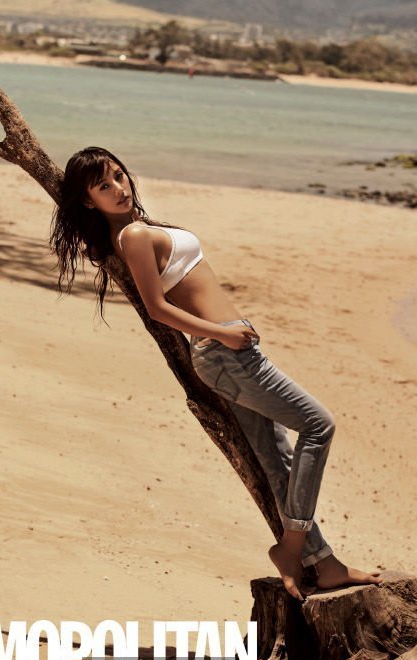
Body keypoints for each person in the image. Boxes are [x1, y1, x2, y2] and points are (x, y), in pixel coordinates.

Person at [50, 146, 383, 601]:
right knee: (319, 425)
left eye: (119, 175)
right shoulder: (134, 236)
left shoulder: (137, 228)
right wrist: (222, 333)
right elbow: (157, 308)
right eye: (103, 186)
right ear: (89, 201)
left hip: (228, 351)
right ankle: (291, 548)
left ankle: (324, 565)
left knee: (276, 459)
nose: (119, 188)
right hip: (225, 354)